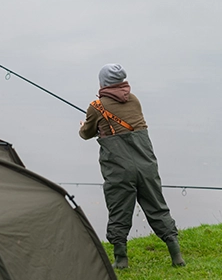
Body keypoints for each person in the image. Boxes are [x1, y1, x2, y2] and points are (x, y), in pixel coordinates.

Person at [78, 63, 185, 269]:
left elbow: (87, 134)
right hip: (147, 165)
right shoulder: (134, 100)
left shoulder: (96, 106)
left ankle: (121, 260)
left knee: (119, 210)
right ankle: (176, 255)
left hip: (119, 169)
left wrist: (84, 127)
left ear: (103, 83)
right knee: (157, 208)